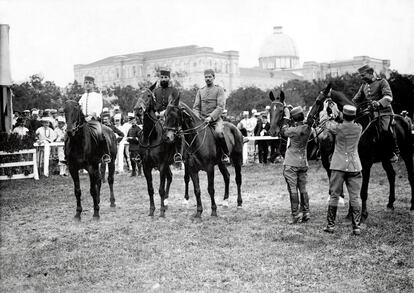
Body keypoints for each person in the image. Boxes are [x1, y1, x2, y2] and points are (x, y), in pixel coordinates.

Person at [320, 103, 363, 235]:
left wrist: (325, 109)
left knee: (334, 195)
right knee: (355, 197)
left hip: (338, 165)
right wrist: (339, 113)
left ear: (343, 115)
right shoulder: (358, 128)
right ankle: (356, 227)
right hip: (354, 165)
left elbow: (324, 123)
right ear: (354, 116)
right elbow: (348, 121)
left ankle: (331, 226)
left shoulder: (337, 128)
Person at [352, 65, 399, 163]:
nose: (361, 78)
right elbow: (356, 99)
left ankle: (393, 152)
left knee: (385, 129)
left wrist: (379, 103)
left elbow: (389, 97)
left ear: (370, 73)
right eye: (360, 76)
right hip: (370, 113)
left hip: (384, 112)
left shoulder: (382, 82)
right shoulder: (364, 85)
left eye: (363, 75)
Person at [63, 75, 111, 164]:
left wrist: (92, 115)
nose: (87, 84)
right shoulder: (83, 96)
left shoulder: (97, 96)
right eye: (86, 83)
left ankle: (105, 154)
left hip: (93, 120)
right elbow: (78, 107)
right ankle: (67, 156)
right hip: (83, 121)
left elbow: (98, 108)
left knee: (100, 133)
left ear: (93, 84)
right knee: (68, 134)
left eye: (89, 83)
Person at [281, 106, 314, 224]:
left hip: (291, 162)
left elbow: (283, 131)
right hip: (303, 162)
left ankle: (295, 214)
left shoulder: (293, 130)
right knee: (303, 188)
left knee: (292, 189)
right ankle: (306, 212)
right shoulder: (307, 128)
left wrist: (286, 117)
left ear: (293, 118)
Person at [193, 69, 230, 163]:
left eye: (210, 77)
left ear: (214, 77)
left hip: (215, 120)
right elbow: (196, 107)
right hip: (202, 120)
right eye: (206, 77)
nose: (208, 79)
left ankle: (225, 154)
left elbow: (220, 106)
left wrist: (211, 117)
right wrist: (197, 118)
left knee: (219, 133)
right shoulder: (200, 91)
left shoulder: (219, 90)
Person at [153, 69, 182, 163]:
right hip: (158, 117)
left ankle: (178, 154)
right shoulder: (156, 91)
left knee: (178, 134)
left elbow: (175, 105)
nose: (164, 79)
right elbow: (154, 104)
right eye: (162, 77)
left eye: (166, 77)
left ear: (169, 78)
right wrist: (155, 112)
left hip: (171, 117)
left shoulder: (174, 90)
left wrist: (165, 112)